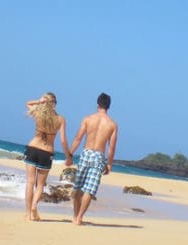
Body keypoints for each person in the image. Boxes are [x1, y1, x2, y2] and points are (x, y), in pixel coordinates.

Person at [68, 92, 118, 225]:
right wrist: (109, 165)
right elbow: (111, 148)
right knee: (89, 190)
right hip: (98, 156)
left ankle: (74, 216)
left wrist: (69, 155)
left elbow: (78, 138)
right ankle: (79, 218)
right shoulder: (112, 124)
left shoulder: (88, 119)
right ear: (108, 106)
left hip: (86, 153)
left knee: (78, 187)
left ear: (97, 104)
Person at [22, 92, 69, 221]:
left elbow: (27, 103)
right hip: (46, 152)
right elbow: (63, 141)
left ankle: (28, 214)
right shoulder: (60, 119)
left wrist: (39, 101)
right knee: (40, 184)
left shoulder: (38, 113)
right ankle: (34, 206)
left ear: (44, 102)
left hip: (32, 148)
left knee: (30, 182)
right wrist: (68, 157)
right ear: (54, 104)